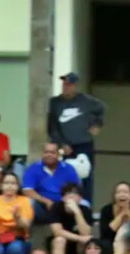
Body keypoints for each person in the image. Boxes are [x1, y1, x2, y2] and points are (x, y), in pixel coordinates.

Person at [48, 73, 105, 201]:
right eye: (64, 84)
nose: (66, 87)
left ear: (75, 86)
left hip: (84, 144)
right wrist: (61, 143)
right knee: (63, 176)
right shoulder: (55, 103)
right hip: (64, 145)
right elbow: (52, 126)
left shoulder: (86, 101)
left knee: (86, 175)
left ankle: (86, 205)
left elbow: (101, 109)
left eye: (69, 85)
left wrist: (97, 124)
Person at [22, 142, 82, 218]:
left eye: (52, 152)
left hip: (64, 204)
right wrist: (46, 201)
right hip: (42, 205)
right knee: (29, 202)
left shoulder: (68, 168)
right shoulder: (33, 168)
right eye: (46, 152)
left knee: (85, 204)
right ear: (42, 154)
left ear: (58, 155)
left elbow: (76, 188)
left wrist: (66, 200)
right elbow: (27, 190)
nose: (49, 155)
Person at [48, 182, 93, 254]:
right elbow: (57, 231)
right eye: (68, 194)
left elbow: (86, 233)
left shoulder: (85, 210)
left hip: (78, 247)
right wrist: (79, 238)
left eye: (75, 194)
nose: (71, 196)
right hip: (61, 244)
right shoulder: (56, 207)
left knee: (87, 242)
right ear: (63, 198)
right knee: (60, 240)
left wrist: (77, 212)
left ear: (80, 198)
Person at [99, 181, 130, 254]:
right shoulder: (106, 210)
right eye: (118, 192)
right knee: (105, 244)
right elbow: (105, 233)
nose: (122, 195)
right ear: (114, 196)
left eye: (125, 192)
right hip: (111, 243)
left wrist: (129, 216)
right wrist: (121, 215)